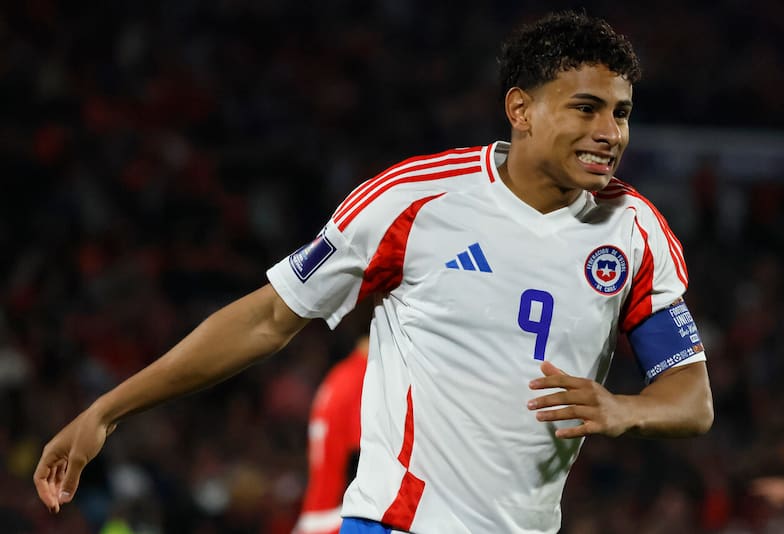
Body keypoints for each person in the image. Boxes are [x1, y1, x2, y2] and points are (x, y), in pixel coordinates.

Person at [34, 10, 713, 534]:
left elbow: (691, 397)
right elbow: (270, 317)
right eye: (586, 108)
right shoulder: (414, 201)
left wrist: (624, 410)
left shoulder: (635, 231)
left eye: (620, 113)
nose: (610, 132)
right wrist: (108, 411)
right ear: (520, 110)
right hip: (397, 523)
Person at [293, 335, 369, 534]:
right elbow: (363, 463)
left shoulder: (341, 374)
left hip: (317, 516)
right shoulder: (366, 375)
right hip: (339, 519)